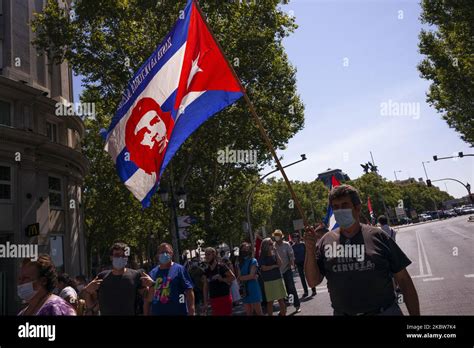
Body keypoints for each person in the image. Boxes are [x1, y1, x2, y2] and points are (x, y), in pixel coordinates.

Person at [304, 184, 420, 316]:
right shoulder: (326, 241)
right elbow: (313, 281)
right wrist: (310, 249)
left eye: (345, 205)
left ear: (357, 208)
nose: (339, 210)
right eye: (335, 207)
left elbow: (404, 280)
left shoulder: (378, 236)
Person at [83, 242, 148, 315]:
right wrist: (87, 291)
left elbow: (148, 298)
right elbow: (91, 305)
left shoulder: (135, 275)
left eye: (123, 255)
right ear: (111, 257)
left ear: (126, 258)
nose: (120, 258)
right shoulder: (102, 277)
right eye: (117, 255)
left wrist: (152, 285)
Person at [143, 243, 195, 316]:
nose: (164, 254)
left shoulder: (180, 270)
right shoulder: (152, 273)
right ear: (157, 255)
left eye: (167, 252)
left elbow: (189, 291)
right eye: (162, 252)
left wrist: (192, 310)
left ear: (172, 254)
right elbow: (147, 299)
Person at [273, 230, 301, 312]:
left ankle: (297, 305)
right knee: (282, 290)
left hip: (287, 269)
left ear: (281, 237)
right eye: (275, 236)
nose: (276, 238)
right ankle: (285, 307)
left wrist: (291, 264)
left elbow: (291, 256)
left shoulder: (286, 245)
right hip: (278, 271)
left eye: (277, 236)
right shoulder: (274, 246)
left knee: (291, 287)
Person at [201, 247, 235, 316]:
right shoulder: (206, 271)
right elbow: (205, 287)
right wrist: (205, 302)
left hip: (224, 297)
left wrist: (222, 279)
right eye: (205, 255)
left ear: (214, 255)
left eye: (208, 254)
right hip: (213, 299)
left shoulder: (221, 266)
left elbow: (233, 277)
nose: (206, 256)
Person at [259, 238, 287, 316]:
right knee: (270, 302)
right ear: (265, 246)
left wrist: (276, 251)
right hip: (268, 281)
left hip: (278, 279)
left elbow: (280, 263)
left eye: (272, 243)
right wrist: (274, 266)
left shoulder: (274, 254)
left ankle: (283, 314)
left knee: (281, 300)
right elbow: (263, 268)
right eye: (270, 244)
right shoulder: (262, 256)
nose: (272, 245)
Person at [237, 242, 263, 315]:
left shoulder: (253, 260)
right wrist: (248, 277)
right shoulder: (239, 263)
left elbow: (251, 275)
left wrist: (243, 277)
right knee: (249, 313)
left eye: (247, 249)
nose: (245, 250)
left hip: (253, 288)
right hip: (244, 290)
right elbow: (239, 278)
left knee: (259, 312)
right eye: (243, 249)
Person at [292, 233, 316, 298]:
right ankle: (306, 292)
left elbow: (307, 252)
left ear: (298, 237)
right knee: (302, 278)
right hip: (298, 263)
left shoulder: (303, 244)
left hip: (306, 262)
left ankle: (313, 290)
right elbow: (293, 256)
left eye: (296, 237)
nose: (294, 238)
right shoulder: (293, 247)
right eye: (293, 237)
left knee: (309, 276)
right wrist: (294, 264)